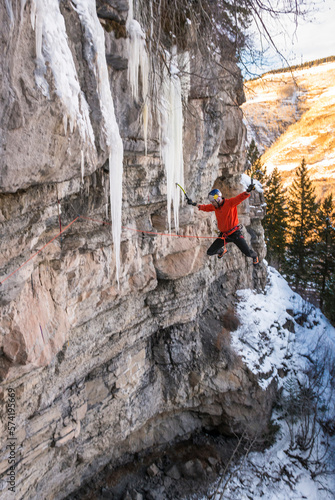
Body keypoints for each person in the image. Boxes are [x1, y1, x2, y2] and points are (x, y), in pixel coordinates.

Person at [188, 185, 259, 264]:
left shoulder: (230, 203)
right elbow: (205, 208)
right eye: (211, 202)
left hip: (235, 233)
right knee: (210, 252)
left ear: (218, 199)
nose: (212, 204)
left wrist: (248, 191)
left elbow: (240, 198)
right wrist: (194, 204)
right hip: (224, 235)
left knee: (247, 253)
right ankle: (221, 251)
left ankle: (255, 256)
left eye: (213, 202)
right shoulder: (215, 207)